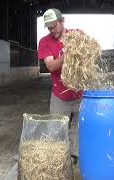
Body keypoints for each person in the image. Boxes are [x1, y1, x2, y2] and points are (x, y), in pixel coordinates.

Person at [38, 8, 81, 159]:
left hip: (80, 94)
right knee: (56, 129)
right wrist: (67, 54)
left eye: (54, 26)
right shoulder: (44, 42)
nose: (52, 30)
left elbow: (88, 55)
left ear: (62, 21)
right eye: (49, 27)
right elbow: (50, 66)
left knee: (77, 127)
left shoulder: (77, 35)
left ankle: (74, 156)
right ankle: (59, 159)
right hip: (59, 96)